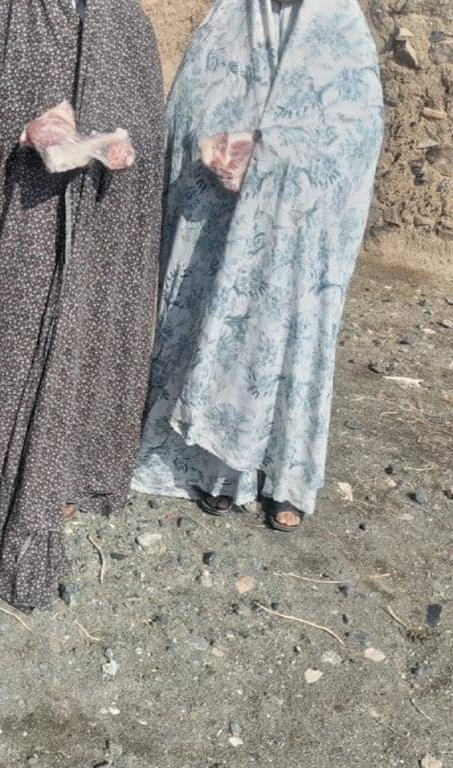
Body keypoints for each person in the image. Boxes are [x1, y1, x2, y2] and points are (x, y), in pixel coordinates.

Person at [131, 0, 385, 532]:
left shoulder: (340, 32)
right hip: (219, 228)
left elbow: (351, 141)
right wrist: (216, 151)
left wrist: (268, 158)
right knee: (212, 331)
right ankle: (211, 471)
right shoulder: (228, 24)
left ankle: (283, 480)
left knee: (279, 340)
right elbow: (190, 109)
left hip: (294, 236)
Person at [0, 0, 165, 609]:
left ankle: (74, 468)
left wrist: (115, 142)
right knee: (15, 348)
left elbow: (147, 124)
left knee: (89, 342)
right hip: (28, 223)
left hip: (102, 227)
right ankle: (6, 479)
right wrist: (26, 131)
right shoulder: (12, 20)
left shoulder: (128, 25)